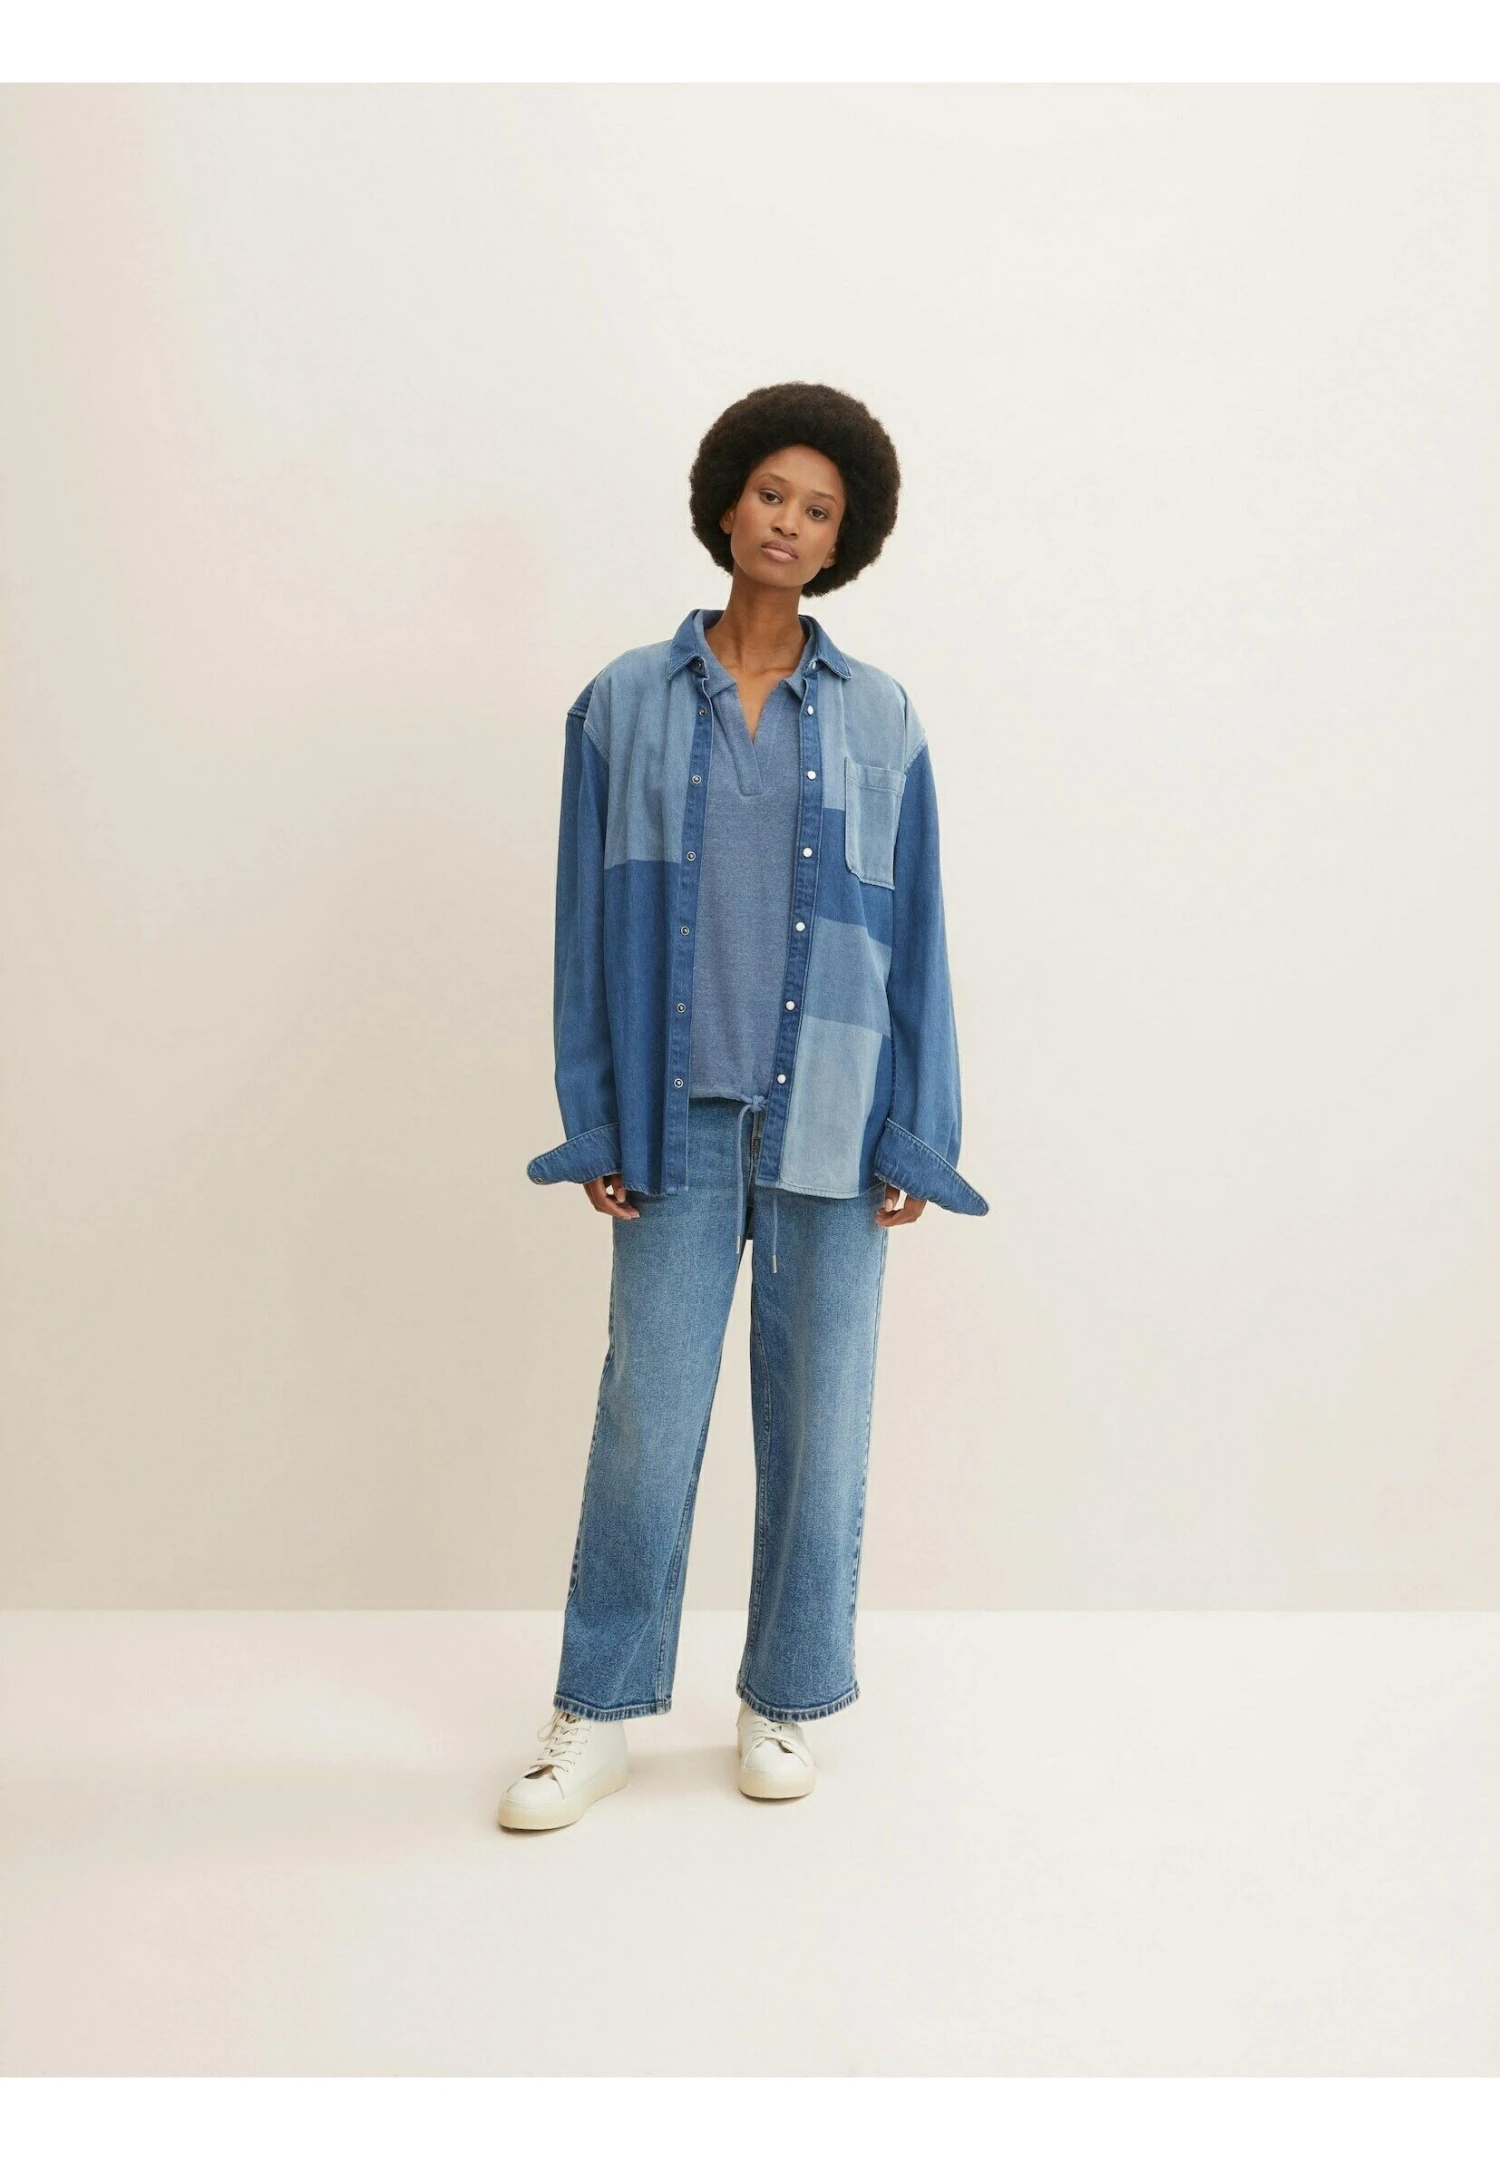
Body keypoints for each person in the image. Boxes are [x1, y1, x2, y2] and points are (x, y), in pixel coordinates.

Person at [498, 381, 988, 1832]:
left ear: (845, 539)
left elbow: (919, 937)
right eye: (772, 492)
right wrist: (594, 1115)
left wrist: (918, 1129)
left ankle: (784, 1697)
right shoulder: (623, 703)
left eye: (819, 508)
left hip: (836, 1114)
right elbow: (584, 930)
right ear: (726, 503)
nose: (789, 521)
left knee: (821, 1426)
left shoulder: (883, 719)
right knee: (645, 1422)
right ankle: (596, 1712)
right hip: (677, 1123)